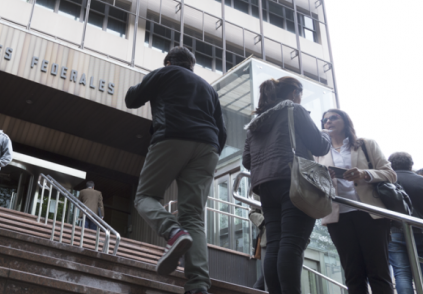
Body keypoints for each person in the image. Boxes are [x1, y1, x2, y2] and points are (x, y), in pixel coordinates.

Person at [125, 47, 226, 294]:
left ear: (169, 61)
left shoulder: (165, 73)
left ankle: (172, 231)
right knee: (193, 215)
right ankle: (198, 284)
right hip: (208, 147)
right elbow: (221, 130)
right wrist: (208, 153)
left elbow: (132, 99)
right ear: (192, 65)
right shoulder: (208, 88)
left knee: (145, 197)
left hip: (172, 136)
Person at [242, 76, 330, 294]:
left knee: (275, 244)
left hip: (265, 187)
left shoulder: (257, 121)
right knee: (292, 243)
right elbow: (319, 146)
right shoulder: (293, 109)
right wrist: (326, 136)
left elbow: (246, 160)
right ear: (294, 93)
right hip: (293, 181)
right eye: (300, 93)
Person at [315, 109, 396, 294]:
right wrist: (324, 177)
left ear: (345, 121)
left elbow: (390, 174)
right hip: (338, 217)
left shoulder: (366, 144)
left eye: (333, 118)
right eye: (325, 120)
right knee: (353, 274)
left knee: (379, 272)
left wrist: (364, 174)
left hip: (370, 213)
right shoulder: (320, 152)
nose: (328, 122)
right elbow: (315, 185)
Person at [388, 152, 423, 294]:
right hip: (422, 232)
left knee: (402, 273)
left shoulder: (388, 181)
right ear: (411, 164)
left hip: (395, 231)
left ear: (390, 165)